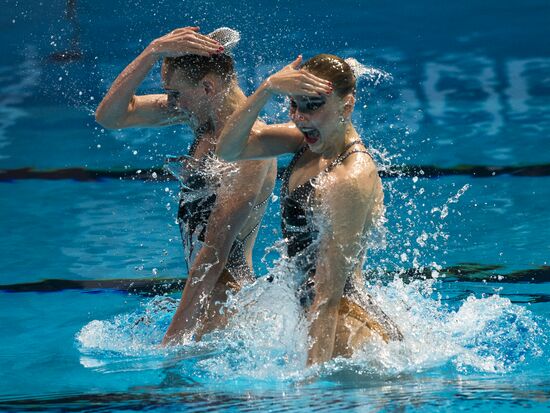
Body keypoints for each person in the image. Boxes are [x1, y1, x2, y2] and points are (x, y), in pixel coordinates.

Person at [216, 54, 403, 365]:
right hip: (321, 320)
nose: (300, 117)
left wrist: (313, 384)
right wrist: (266, 88)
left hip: (346, 332)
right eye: (294, 104)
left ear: (347, 105)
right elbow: (228, 149)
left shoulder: (349, 176)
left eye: (313, 105)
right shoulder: (306, 142)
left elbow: (328, 297)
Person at [95, 27, 277, 345]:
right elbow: (110, 116)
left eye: (175, 93)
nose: (171, 102)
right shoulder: (198, 117)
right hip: (204, 301)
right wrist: (152, 51)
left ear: (207, 87)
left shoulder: (249, 147)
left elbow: (214, 252)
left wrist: (172, 342)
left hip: (228, 311)